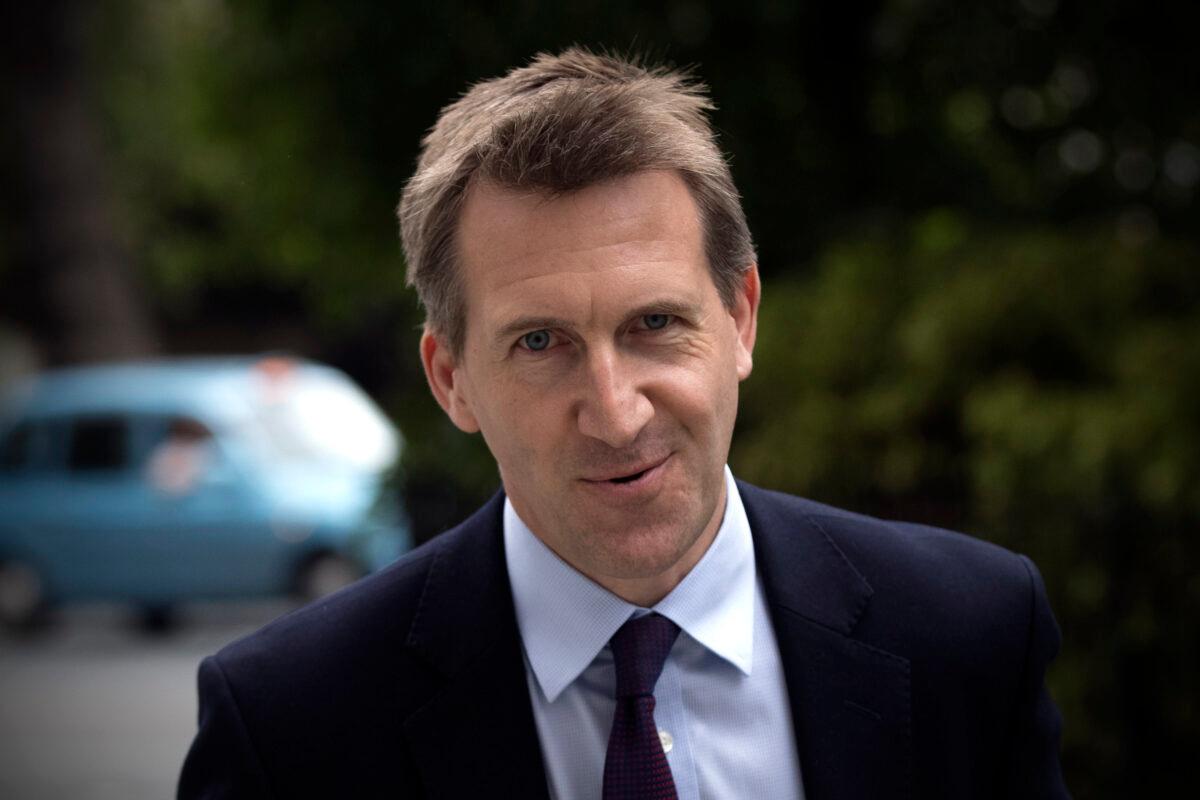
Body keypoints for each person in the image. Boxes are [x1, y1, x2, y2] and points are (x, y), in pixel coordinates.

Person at [179, 48, 1068, 799]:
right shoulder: (288, 726)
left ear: (741, 318)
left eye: (654, 324)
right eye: (540, 342)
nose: (615, 412)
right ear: (451, 379)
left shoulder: (972, 637)